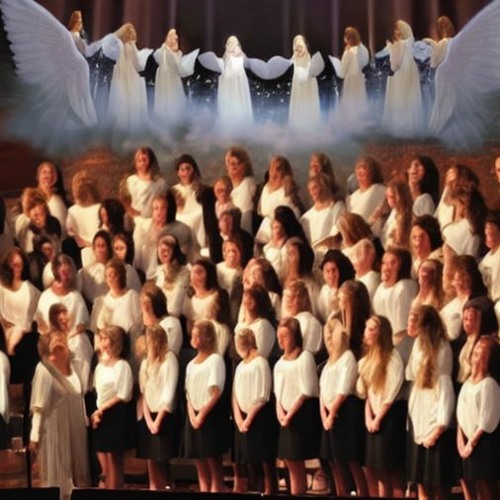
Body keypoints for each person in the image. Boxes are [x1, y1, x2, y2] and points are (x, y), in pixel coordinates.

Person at [30, 332, 90, 500]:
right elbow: (39, 406)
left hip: (75, 428)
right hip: (55, 429)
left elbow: (79, 395)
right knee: (59, 477)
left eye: (63, 340)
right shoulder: (44, 369)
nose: (61, 342)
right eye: (57, 341)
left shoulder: (73, 367)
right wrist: (35, 434)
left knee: (77, 480)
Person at [405, 305, 455, 499]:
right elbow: (411, 373)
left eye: (415, 321)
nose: (411, 325)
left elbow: (444, 389)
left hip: (435, 417)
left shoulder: (441, 347)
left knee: (437, 482)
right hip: (419, 414)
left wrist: (439, 427)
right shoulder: (418, 344)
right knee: (421, 481)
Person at [356, 315, 405, 498]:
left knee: (389, 471)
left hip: (389, 417)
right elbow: (367, 392)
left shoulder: (392, 358)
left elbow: (390, 393)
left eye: (371, 329)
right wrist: (369, 417)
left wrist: (378, 419)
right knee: (375, 469)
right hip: (374, 417)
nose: (366, 333)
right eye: (366, 328)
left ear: (380, 332)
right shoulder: (368, 360)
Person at [273, 317, 320, 495]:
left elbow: (307, 390)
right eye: (279, 336)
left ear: (294, 336)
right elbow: (278, 392)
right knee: (288, 461)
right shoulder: (279, 363)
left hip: (300, 414)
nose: (281, 340)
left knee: (296, 461)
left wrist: (290, 414)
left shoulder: (305, 357)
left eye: (284, 336)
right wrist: (280, 413)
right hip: (285, 415)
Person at [319, 319, 366, 496]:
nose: (329, 341)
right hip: (329, 416)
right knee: (334, 461)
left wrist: (332, 413)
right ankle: (341, 493)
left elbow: (344, 389)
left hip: (344, 413)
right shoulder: (328, 363)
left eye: (331, 337)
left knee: (350, 460)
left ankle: (362, 493)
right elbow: (322, 391)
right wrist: (324, 416)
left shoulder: (347, 358)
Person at [183, 320, 230, 492]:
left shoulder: (215, 360)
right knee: (199, 463)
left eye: (197, 336)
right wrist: (192, 415)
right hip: (194, 416)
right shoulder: (191, 364)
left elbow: (216, 391)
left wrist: (202, 414)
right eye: (193, 336)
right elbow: (188, 393)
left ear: (208, 338)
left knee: (213, 463)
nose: (193, 339)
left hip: (210, 415)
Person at [232, 329, 277, 494]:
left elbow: (263, 394)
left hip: (259, 417)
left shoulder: (261, 363)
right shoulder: (240, 366)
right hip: (243, 419)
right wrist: (239, 419)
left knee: (264, 461)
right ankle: (255, 487)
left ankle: (269, 489)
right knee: (249, 462)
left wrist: (249, 418)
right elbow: (235, 394)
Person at [91, 326, 135, 489]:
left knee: (114, 456)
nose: (102, 343)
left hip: (116, 413)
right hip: (101, 413)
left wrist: (102, 409)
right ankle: (106, 487)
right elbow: (98, 392)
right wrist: (97, 412)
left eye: (106, 339)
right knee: (103, 454)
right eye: (101, 339)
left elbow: (124, 394)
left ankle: (115, 491)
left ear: (115, 342)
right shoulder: (100, 367)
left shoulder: (122, 366)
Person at [456, 337, 500, 500]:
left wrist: (471, 444)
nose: (477, 348)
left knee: (484, 486)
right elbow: (460, 415)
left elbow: (487, 419)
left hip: (483, 444)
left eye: (483, 348)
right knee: (468, 484)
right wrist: (461, 443)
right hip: (466, 442)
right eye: (477, 345)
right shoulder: (467, 384)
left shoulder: (489, 384)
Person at [137, 324, 179, 490]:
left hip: (163, 415)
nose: (149, 344)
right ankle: (153, 489)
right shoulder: (146, 362)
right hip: (149, 416)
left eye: (152, 341)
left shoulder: (169, 359)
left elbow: (169, 390)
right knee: (151, 459)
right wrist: (148, 420)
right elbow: (144, 391)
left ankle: (166, 488)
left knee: (162, 460)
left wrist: (158, 420)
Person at [382, 20, 423, 137]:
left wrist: (391, 48)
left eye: (397, 29)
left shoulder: (400, 44)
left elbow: (395, 63)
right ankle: (411, 127)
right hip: (410, 70)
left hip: (401, 73)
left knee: (399, 99)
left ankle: (399, 128)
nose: (395, 32)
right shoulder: (410, 42)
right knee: (410, 98)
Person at [107, 23, 149, 129]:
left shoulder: (131, 45)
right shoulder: (118, 45)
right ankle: (120, 126)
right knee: (121, 99)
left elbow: (137, 62)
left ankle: (129, 126)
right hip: (122, 75)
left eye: (131, 34)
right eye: (127, 33)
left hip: (130, 76)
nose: (129, 36)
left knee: (130, 101)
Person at [255, 155, 303, 246]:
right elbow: (262, 211)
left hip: (283, 233)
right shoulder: (265, 188)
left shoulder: (287, 189)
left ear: (285, 171)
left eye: (278, 169)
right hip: (265, 231)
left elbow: (294, 213)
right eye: (271, 169)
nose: (274, 173)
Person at [153, 28, 198, 123]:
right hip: (169, 77)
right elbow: (177, 67)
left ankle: (170, 119)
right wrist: (186, 68)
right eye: (174, 38)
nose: (175, 40)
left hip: (169, 76)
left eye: (176, 38)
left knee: (170, 98)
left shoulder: (167, 51)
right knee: (171, 98)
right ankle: (170, 119)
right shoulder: (165, 51)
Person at [372, 248, 418, 335]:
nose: (386, 268)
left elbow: (403, 327)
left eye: (392, 263)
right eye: (384, 263)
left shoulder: (405, 287)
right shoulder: (380, 287)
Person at [333, 26, 369, 131]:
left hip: (350, 78)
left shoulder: (348, 52)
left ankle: (350, 123)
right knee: (359, 98)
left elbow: (343, 70)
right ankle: (360, 120)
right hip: (359, 78)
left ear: (348, 38)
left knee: (350, 99)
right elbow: (365, 61)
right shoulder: (362, 49)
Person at [65, 171, 101, 268]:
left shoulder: (100, 208)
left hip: (98, 252)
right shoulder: (72, 212)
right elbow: (73, 237)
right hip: (84, 255)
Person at [121, 147, 168, 220]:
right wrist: (130, 210)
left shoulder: (160, 183)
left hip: (153, 220)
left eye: (144, 160)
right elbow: (124, 200)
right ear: (135, 163)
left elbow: (164, 202)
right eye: (139, 160)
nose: (142, 163)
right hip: (135, 220)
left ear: (150, 161)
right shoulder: (131, 181)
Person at [216, 36, 253, 126]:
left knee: (237, 99)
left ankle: (237, 120)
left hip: (236, 80)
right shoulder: (230, 55)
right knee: (236, 100)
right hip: (234, 80)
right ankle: (236, 120)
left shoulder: (232, 54)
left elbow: (244, 64)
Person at [235, 284, 277, 360]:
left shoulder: (263, 325)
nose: (247, 300)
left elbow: (261, 354)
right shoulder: (240, 326)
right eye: (245, 296)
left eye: (251, 298)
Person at [153, 232, 189, 319]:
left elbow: (177, 301)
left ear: (175, 251)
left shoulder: (185, 272)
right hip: (160, 317)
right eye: (161, 250)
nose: (163, 253)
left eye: (167, 250)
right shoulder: (159, 270)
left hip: (176, 318)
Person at [289, 35, 322, 129]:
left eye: (301, 47)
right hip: (298, 88)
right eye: (297, 48)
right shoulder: (294, 59)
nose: (299, 49)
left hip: (308, 87)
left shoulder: (309, 60)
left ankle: (310, 124)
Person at [224, 146, 257, 234]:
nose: (233, 166)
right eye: (230, 163)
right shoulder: (229, 188)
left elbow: (244, 216)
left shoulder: (247, 185)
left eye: (237, 163)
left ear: (245, 166)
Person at [346, 156, 386, 223]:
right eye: (358, 170)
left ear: (372, 173)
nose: (360, 174)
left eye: (363, 171)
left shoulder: (380, 190)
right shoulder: (351, 198)